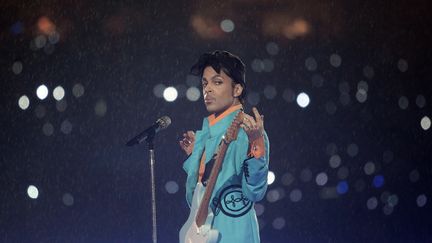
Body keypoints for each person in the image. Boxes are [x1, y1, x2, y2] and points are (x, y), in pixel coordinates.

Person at [179, 50, 270, 243]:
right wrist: (195, 157)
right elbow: (193, 203)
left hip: (233, 234)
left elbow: (255, 192)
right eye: (205, 83)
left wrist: (257, 146)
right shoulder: (204, 136)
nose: (207, 90)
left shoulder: (248, 130)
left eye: (217, 82)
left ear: (237, 89)